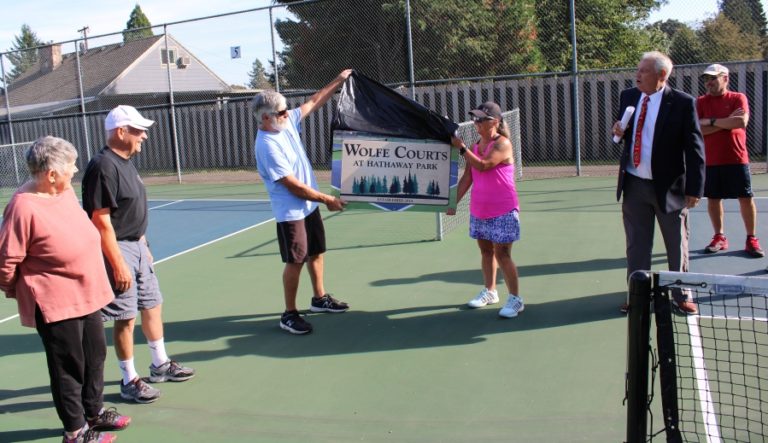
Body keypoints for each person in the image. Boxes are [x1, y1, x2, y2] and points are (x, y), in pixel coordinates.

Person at [0, 136, 131, 443]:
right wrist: (17, 290)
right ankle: (75, 431)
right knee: (68, 366)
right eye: (71, 165)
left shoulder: (64, 191)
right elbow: (6, 260)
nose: (76, 169)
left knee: (95, 355)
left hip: (87, 293)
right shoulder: (22, 207)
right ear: (51, 173)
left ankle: (93, 412)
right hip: (55, 301)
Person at [81, 105, 195, 404]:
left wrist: (144, 247)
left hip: (138, 247)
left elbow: (132, 210)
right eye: (138, 130)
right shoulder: (102, 166)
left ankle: (160, 365)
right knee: (125, 317)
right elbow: (100, 220)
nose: (144, 135)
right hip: (117, 249)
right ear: (121, 131)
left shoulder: (127, 162)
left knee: (153, 305)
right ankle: (129, 379)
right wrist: (117, 263)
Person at [252, 69, 352, 335]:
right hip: (291, 212)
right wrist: (327, 199)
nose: (289, 114)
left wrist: (338, 80)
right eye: (283, 112)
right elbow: (292, 185)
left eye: (286, 111)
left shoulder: (285, 122)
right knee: (295, 261)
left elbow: (314, 101)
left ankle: (319, 299)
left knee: (317, 251)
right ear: (266, 117)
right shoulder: (266, 145)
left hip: (309, 207)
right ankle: (289, 314)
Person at [612, 51, 705, 315]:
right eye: (638, 69)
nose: (637, 75)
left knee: (676, 245)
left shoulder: (683, 103)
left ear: (661, 76)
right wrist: (618, 130)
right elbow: (625, 131)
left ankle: (681, 294)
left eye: (644, 71)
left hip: (669, 189)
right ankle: (638, 296)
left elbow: (695, 149)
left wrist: (695, 189)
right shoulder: (628, 96)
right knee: (637, 246)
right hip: (633, 185)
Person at [450, 101, 523, 318]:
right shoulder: (474, 146)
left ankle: (516, 299)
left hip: (503, 209)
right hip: (479, 209)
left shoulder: (503, 144)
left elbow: (484, 165)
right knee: (485, 251)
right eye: (475, 118)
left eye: (482, 119)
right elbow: (468, 177)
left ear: (495, 121)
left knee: (503, 254)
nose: (477, 123)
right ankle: (490, 291)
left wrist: (461, 148)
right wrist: (452, 202)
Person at [695, 64, 763, 258]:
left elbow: (741, 122)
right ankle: (719, 237)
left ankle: (751, 238)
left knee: (745, 197)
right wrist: (725, 122)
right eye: (707, 79)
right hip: (711, 160)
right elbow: (698, 129)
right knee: (714, 199)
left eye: (713, 78)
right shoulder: (700, 102)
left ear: (725, 78)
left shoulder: (738, 98)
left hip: (737, 158)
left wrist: (711, 121)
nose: (708, 83)